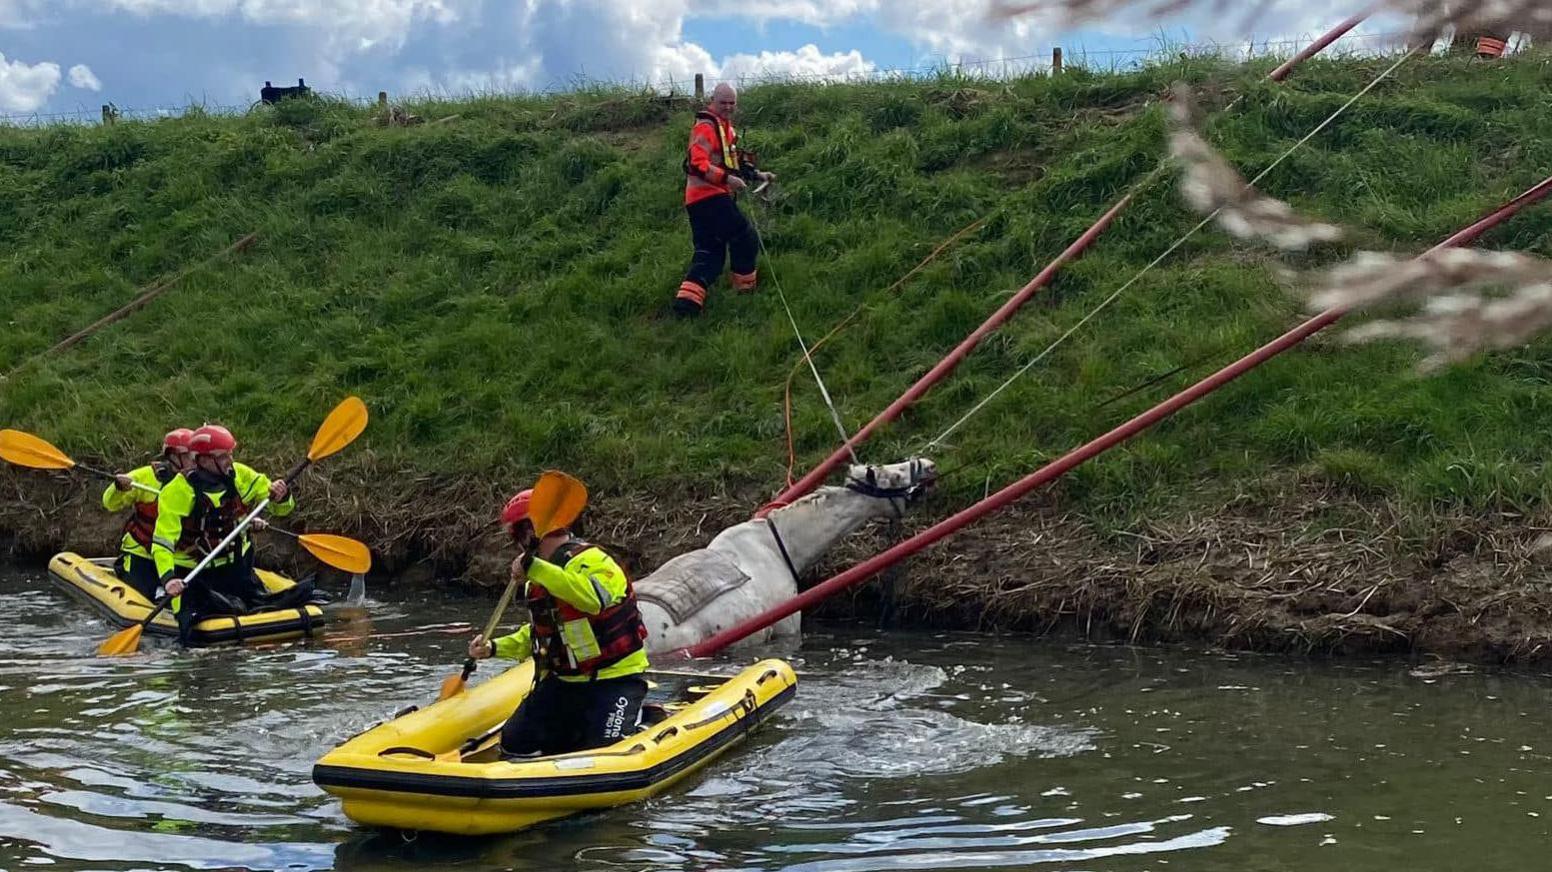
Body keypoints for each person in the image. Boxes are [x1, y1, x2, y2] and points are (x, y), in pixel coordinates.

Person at [467, 486, 651, 758]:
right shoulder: (538, 581)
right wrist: (494, 648)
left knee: (603, 753)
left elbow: (592, 599)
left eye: (516, 535)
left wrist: (535, 568)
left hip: (615, 680)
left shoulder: (593, 560)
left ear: (529, 533)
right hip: (566, 683)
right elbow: (542, 635)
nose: (517, 544)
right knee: (516, 742)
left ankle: (638, 722)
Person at [151, 424, 295, 643]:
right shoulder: (177, 491)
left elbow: (281, 509)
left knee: (268, 603)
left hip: (238, 567)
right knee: (190, 630)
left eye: (230, 453)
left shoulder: (241, 475)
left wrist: (282, 496)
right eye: (224, 455)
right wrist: (169, 579)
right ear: (205, 460)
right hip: (195, 574)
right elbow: (162, 543)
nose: (230, 460)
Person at [672, 82, 777, 317]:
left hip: (698, 201)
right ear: (713, 100)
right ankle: (745, 291)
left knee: (710, 253)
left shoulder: (725, 129)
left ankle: (685, 307)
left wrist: (757, 174)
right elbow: (696, 164)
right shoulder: (706, 128)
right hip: (709, 197)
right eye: (723, 103)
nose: (728, 107)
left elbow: (733, 162)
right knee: (745, 236)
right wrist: (727, 179)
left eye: (732, 103)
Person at [101, 428, 196, 600]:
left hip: (179, 557)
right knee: (143, 594)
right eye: (190, 455)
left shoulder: (200, 481)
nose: (195, 461)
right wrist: (118, 488)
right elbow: (110, 503)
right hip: (142, 554)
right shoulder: (146, 477)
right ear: (173, 456)